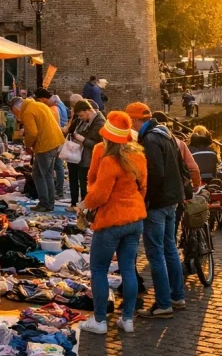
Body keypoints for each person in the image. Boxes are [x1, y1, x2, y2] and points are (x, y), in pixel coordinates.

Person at [80, 111, 147, 335]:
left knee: (98, 269)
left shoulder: (109, 160)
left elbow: (100, 195)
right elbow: (143, 187)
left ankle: (99, 321)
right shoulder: (139, 156)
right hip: (135, 218)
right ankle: (127, 319)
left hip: (112, 220)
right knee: (128, 268)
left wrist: (83, 205)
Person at [126, 101, 186, 318]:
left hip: (158, 204)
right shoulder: (165, 133)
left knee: (155, 252)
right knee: (170, 248)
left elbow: (154, 174)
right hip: (172, 200)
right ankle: (177, 296)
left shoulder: (150, 140)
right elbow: (179, 165)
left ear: (134, 120)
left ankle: (163, 304)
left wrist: (145, 200)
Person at [9, 96, 64, 212]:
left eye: (15, 113)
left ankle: (44, 203)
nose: (17, 117)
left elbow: (33, 133)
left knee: (38, 175)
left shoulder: (27, 112)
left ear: (16, 107)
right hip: (55, 142)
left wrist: (27, 144)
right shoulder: (40, 105)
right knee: (48, 174)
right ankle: (50, 203)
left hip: (44, 145)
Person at [66, 99, 106, 206]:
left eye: (81, 115)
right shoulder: (86, 120)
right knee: (81, 183)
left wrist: (82, 140)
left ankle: (86, 209)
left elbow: (99, 144)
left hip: (90, 159)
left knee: (86, 186)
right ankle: (81, 208)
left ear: (88, 111)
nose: (80, 118)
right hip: (82, 157)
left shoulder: (99, 122)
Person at [153, 111, 200, 189]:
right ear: (167, 126)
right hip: (176, 188)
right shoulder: (179, 143)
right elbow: (193, 169)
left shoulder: (145, 141)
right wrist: (196, 186)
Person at [35, 88, 66, 201]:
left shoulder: (52, 109)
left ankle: (53, 195)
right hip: (58, 139)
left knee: (50, 170)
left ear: (43, 99)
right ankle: (57, 193)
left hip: (53, 142)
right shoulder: (60, 105)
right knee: (55, 168)